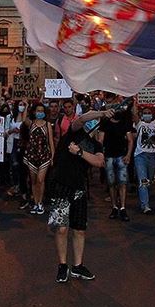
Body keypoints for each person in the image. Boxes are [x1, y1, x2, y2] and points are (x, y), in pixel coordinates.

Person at [51, 107, 108, 283]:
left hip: (79, 188)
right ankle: (62, 265)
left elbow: (99, 162)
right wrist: (102, 113)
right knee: (61, 228)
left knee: (79, 229)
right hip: (62, 185)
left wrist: (80, 153)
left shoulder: (96, 145)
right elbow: (82, 119)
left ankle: (77, 266)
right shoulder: (75, 132)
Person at [101, 104, 134, 222]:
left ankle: (123, 207)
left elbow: (130, 140)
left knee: (122, 183)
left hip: (121, 156)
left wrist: (128, 155)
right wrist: (101, 156)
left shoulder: (124, 123)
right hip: (109, 156)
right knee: (111, 183)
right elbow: (100, 140)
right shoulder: (105, 123)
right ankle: (115, 206)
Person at [23, 102, 55, 215]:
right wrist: (27, 105)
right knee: (33, 181)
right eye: (38, 111)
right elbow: (24, 119)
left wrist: (52, 156)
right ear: (34, 112)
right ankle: (36, 203)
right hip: (32, 155)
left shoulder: (47, 125)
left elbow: (50, 141)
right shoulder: (31, 124)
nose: (40, 113)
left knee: (40, 180)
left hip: (44, 155)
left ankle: (40, 202)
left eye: (42, 111)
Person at [132, 106, 155, 215]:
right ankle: (145, 205)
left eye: (149, 112)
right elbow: (134, 114)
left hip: (153, 156)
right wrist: (134, 100)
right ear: (141, 115)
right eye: (145, 113)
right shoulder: (139, 124)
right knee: (143, 181)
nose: (147, 114)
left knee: (149, 180)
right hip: (141, 156)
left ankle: (145, 198)